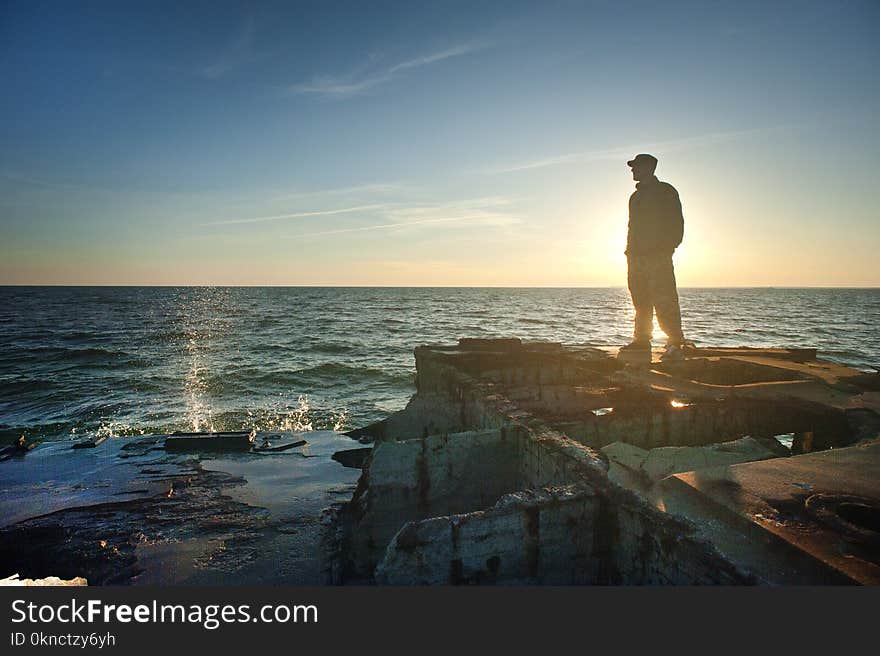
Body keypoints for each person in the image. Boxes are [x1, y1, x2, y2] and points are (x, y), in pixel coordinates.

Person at [620, 154, 687, 359]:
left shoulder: (665, 191)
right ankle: (641, 340)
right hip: (636, 256)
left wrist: (666, 248)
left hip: (658, 256)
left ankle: (675, 341)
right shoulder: (635, 197)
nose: (632, 170)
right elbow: (632, 227)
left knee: (664, 297)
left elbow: (677, 223)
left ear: (649, 167)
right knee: (640, 299)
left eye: (636, 167)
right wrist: (630, 251)